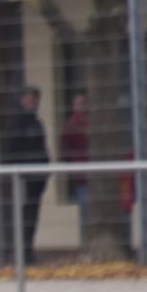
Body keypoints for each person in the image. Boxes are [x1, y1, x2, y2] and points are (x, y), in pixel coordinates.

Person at [4, 85, 50, 264]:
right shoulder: (16, 124)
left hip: (37, 179)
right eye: (28, 98)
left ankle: (27, 250)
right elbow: (10, 152)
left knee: (32, 216)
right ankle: (20, 253)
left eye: (34, 98)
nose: (31, 102)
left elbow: (42, 149)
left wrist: (45, 170)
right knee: (23, 216)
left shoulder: (37, 123)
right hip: (22, 178)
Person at [59, 91, 89, 243]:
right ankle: (86, 242)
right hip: (82, 176)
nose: (81, 106)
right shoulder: (72, 125)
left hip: (97, 175)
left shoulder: (92, 122)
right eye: (78, 103)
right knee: (85, 210)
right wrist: (73, 167)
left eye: (83, 103)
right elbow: (64, 149)